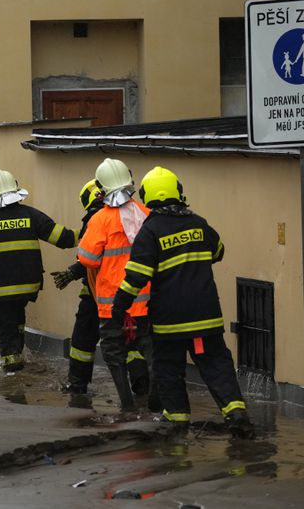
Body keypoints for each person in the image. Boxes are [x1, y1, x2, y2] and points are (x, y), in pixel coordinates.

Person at [110, 166, 255, 439]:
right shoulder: (199, 223)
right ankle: (236, 412)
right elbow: (219, 251)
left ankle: (177, 423)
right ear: (178, 191)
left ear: (147, 196)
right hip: (206, 316)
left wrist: (119, 307)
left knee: (169, 370)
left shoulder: (149, 231)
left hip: (170, 321)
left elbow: (136, 277)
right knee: (216, 365)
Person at [0, 169, 78, 372]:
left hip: (2, 288)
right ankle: (20, 352)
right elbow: (64, 239)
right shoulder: (31, 214)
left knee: (5, 327)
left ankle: (13, 371)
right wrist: (88, 229)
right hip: (28, 285)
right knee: (17, 317)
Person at [51, 179, 152, 408]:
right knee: (134, 343)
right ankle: (142, 386)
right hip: (135, 295)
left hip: (99, 295)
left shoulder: (98, 219)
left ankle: (78, 385)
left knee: (83, 341)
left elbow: (90, 257)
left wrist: (71, 272)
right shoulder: (136, 213)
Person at [76, 159, 156, 411]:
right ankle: (158, 403)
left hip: (112, 304)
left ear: (101, 188)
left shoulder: (100, 219)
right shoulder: (146, 213)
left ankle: (127, 405)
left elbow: (87, 258)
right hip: (146, 300)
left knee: (114, 353)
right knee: (152, 351)